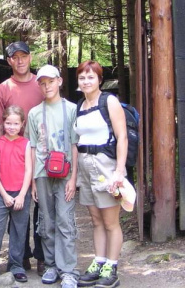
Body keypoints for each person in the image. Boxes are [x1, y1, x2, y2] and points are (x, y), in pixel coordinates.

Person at [0, 41, 45, 274]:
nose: (20, 60)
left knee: (40, 206)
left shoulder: (42, 85)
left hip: (41, 153)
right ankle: (20, 257)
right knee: (16, 208)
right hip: (13, 155)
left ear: (30, 58)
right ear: (10, 61)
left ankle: (42, 256)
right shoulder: (2, 89)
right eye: (15, 57)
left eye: (24, 56)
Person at [74, 60, 127, 288]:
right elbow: (77, 141)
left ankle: (111, 266)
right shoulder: (81, 106)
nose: (86, 81)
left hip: (106, 167)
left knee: (110, 221)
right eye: (82, 77)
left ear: (99, 79)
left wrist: (119, 172)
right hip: (86, 167)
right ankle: (99, 261)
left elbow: (122, 137)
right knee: (95, 220)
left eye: (90, 77)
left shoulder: (110, 102)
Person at [28, 64, 79, 288]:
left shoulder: (71, 109)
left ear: (59, 81)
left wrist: (74, 177)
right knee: (45, 221)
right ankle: (50, 265)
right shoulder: (34, 113)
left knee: (65, 220)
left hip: (66, 172)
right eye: (42, 82)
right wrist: (32, 182)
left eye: (50, 81)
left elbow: (76, 145)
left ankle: (68, 270)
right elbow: (31, 147)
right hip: (42, 172)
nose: (47, 86)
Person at [0, 105, 32, 283]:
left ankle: (16, 265)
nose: (11, 126)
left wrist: (21, 195)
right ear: (3, 123)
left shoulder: (26, 144)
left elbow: (28, 171)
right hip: (4, 194)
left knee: (19, 230)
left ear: (22, 124)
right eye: (8, 123)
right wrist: (4, 195)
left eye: (15, 123)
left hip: (21, 194)